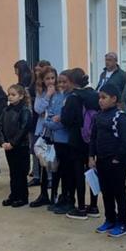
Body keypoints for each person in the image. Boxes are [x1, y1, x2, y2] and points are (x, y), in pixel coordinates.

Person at [89, 82, 126, 238]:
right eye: (99, 97)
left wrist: (117, 159)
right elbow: (93, 137)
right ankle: (110, 219)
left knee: (119, 192)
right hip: (101, 160)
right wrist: (91, 156)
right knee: (106, 192)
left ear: (114, 99)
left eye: (104, 97)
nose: (100, 100)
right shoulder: (98, 116)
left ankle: (123, 223)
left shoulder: (120, 117)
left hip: (116, 162)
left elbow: (125, 141)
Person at [56, 68, 100, 219]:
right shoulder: (94, 95)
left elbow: (66, 120)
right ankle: (94, 206)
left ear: (72, 82)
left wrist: (61, 115)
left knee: (79, 174)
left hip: (77, 140)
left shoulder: (73, 98)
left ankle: (81, 208)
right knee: (92, 171)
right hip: (93, 140)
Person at [31, 66, 65, 207]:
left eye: (52, 78)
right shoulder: (41, 92)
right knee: (44, 163)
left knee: (56, 164)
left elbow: (60, 109)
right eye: (47, 79)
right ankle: (43, 194)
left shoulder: (61, 92)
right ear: (42, 80)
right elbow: (38, 109)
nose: (50, 81)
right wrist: (47, 96)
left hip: (56, 132)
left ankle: (55, 195)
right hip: (43, 132)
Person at [0, 84, 33, 207]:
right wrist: (3, 142)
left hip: (20, 146)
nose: (10, 97)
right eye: (9, 94)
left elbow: (23, 129)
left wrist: (13, 143)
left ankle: (22, 197)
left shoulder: (24, 110)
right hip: (8, 146)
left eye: (13, 95)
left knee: (21, 172)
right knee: (13, 172)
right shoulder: (6, 110)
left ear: (21, 96)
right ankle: (13, 195)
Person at [43, 71, 71, 212]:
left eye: (63, 82)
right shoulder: (54, 96)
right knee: (54, 170)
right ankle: (54, 197)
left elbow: (63, 120)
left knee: (65, 171)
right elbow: (49, 115)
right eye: (59, 82)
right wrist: (49, 122)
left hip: (65, 140)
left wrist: (50, 123)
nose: (60, 84)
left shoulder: (69, 98)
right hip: (54, 139)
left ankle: (65, 197)